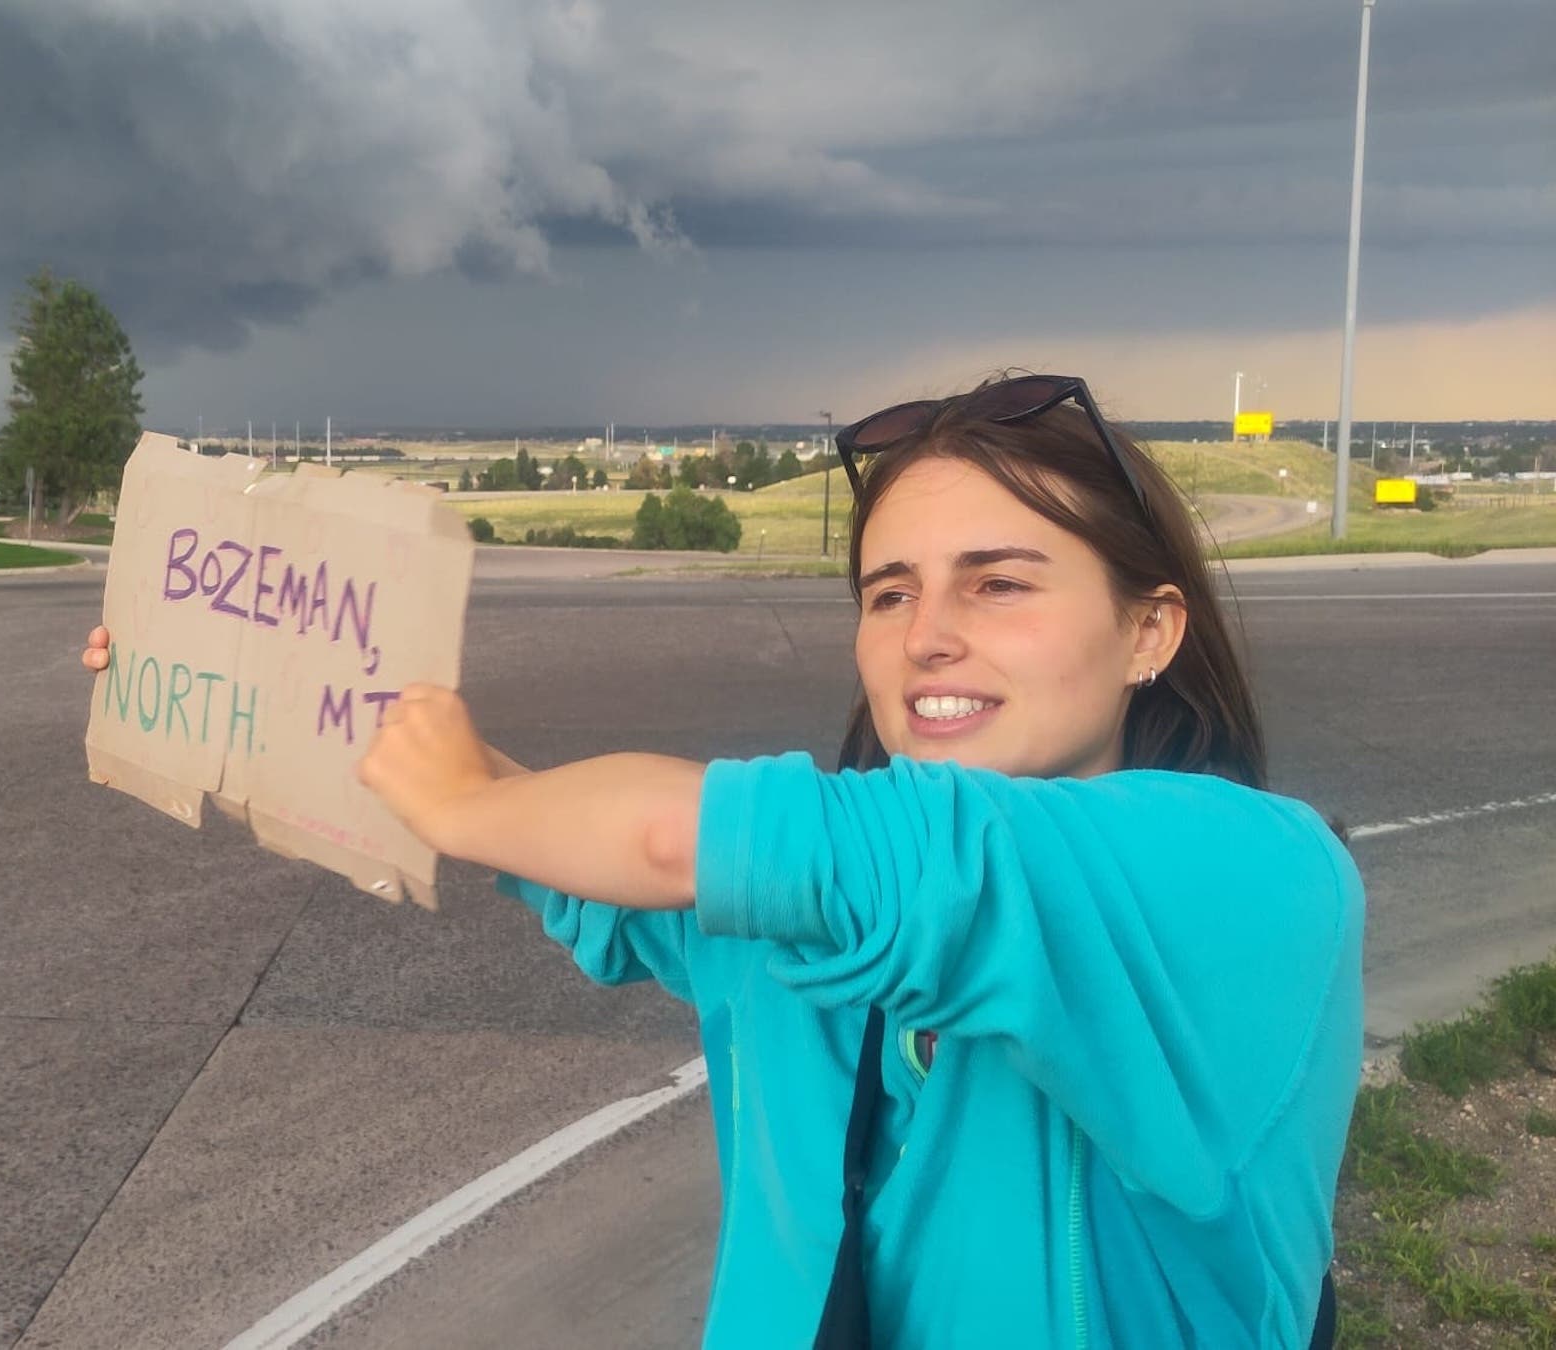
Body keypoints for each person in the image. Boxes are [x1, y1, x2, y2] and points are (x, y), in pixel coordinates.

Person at [82, 375, 1361, 1348]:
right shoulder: (826, 899)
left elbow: (677, 836)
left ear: (1150, 629)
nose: (928, 638)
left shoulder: (1256, 878)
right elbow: (597, 854)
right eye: (889, 592)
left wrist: (471, 798)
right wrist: (271, 687)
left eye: (1000, 585)